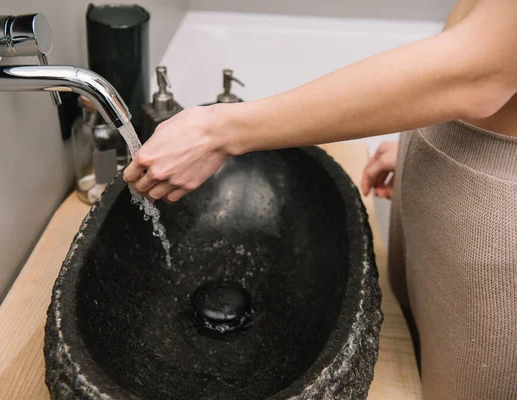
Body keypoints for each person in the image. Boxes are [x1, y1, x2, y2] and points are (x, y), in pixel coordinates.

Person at [124, 0, 517, 398]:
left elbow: (481, 74)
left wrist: (219, 131)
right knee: (411, 341)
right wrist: (438, 140)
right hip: (453, 158)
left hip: (494, 223)